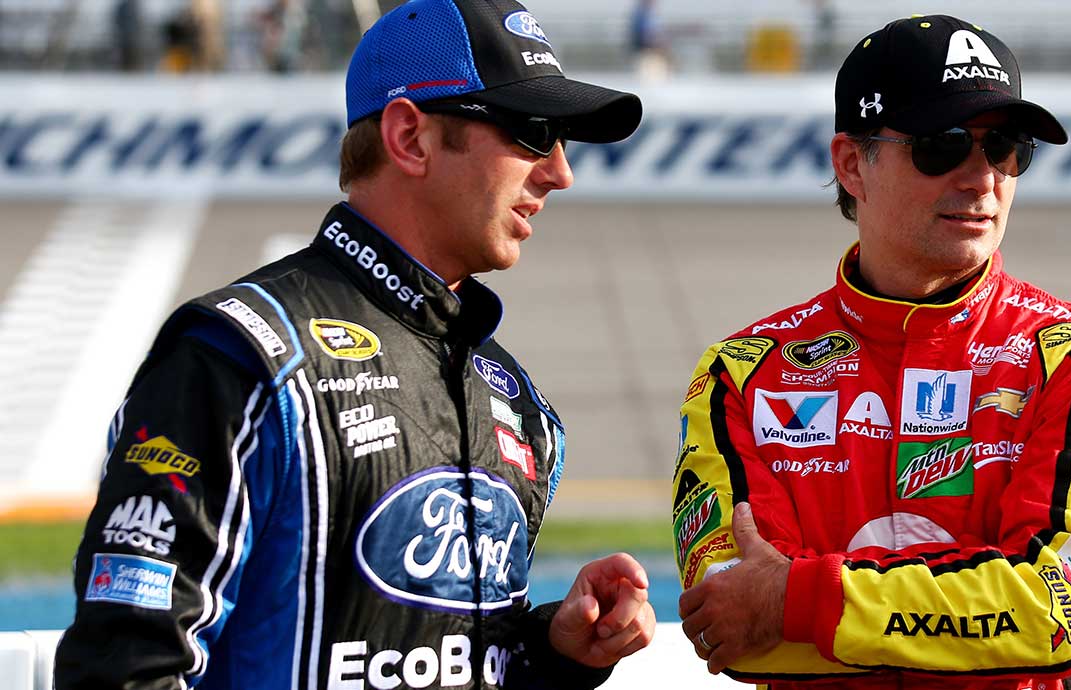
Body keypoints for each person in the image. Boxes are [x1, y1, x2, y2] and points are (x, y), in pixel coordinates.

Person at [54, 1, 653, 688]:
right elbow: (126, 668)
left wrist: (551, 651)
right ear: (409, 137)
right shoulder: (243, 357)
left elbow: (450, 661)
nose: (558, 172)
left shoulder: (517, 406)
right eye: (532, 131)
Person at [672, 14, 1071, 690]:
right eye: (943, 144)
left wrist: (802, 600)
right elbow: (734, 628)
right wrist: (973, 627)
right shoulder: (740, 375)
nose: (983, 178)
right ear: (851, 163)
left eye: (1006, 148)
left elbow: (1064, 609)